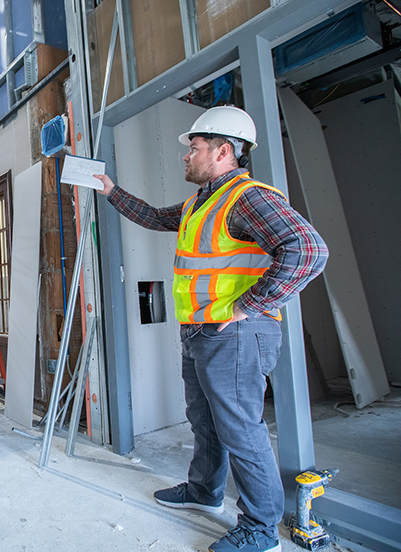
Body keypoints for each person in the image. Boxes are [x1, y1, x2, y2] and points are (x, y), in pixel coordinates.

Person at [94, 106, 328, 552]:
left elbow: (309, 250)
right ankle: (205, 491)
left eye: (194, 148)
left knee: (241, 430)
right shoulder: (200, 202)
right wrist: (110, 191)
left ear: (223, 151)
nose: (186, 156)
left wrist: (246, 306)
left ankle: (262, 529)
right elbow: (154, 216)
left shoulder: (247, 196)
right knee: (204, 421)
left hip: (235, 335)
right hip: (203, 333)